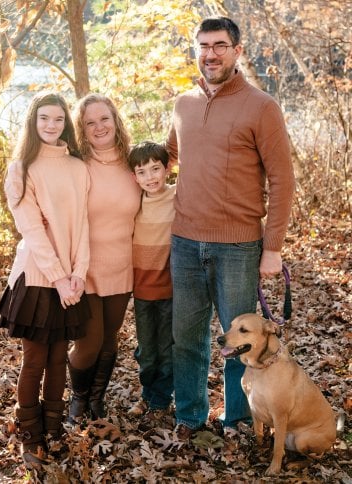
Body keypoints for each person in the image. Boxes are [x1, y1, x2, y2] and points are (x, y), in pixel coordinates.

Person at [166, 17, 295, 440]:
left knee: (239, 343)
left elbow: (282, 178)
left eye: (220, 45)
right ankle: (189, 415)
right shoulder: (182, 103)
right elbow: (166, 157)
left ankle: (239, 420)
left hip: (239, 245)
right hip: (184, 241)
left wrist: (272, 246)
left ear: (237, 51)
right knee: (186, 337)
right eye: (203, 45)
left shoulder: (261, 106)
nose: (211, 54)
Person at [0, 92, 91, 467]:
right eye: (44, 119)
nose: (51, 126)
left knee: (58, 360)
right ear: (32, 123)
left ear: (66, 123)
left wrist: (78, 275)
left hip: (69, 278)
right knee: (34, 360)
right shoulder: (22, 168)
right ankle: (30, 436)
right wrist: (59, 278)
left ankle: (53, 429)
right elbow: (32, 231)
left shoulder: (77, 167)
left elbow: (82, 226)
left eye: (58, 119)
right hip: (38, 278)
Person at [67, 93, 141, 423]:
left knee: (109, 339)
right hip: (84, 267)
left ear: (116, 120)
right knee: (89, 341)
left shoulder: (133, 162)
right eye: (90, 122)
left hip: (123, 264)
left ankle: (97, 399)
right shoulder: (76, 165)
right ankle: (78, 398)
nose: (99, 127)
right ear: (81, 129)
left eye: (104, 119)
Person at [127, 141, 176, 430]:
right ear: (134, 177)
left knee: (167, 348)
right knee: (146, 350)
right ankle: (148, 393)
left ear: (167, 168)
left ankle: (160, 400)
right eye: (142, 172)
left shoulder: (177, 195)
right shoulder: (134, 202)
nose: (150, 177)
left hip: (170, 288)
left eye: (155, 169)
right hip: (142, 289)